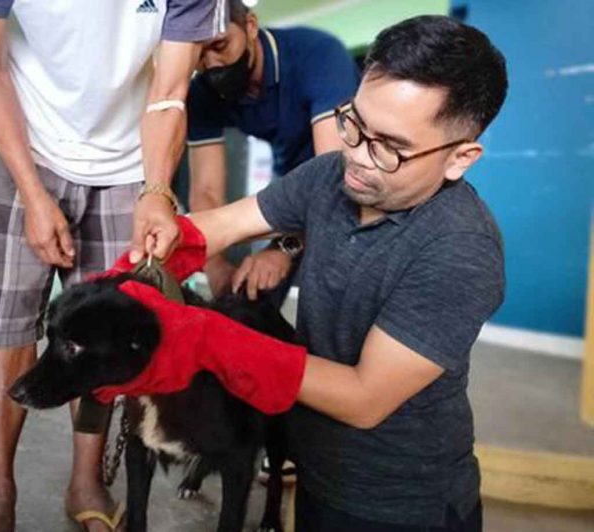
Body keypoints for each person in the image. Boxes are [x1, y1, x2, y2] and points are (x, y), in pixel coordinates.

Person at [106, 15, 508, 532]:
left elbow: (363, 398)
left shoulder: (459, 250)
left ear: (460, 158)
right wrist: (162, 240)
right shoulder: (331, 174)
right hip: (318, 473)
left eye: (390, 146)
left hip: (399, 504)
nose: (358, 156)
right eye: (354, 123)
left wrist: (209, 338)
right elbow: (223, 224)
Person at [0, 1, 227, 530]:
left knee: (103, 332)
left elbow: (169, 91)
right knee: (7, 329)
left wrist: (157, 189)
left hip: (125, 160)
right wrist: (32, 192)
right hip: (16, 143)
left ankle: (86, 481)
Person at [186, 0, 359, 300]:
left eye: (220, 45)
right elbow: (206, 191)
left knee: (330, 292)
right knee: (251, 290)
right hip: (291, 180)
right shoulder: (203, 93)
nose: (211, 63)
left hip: (349, 183)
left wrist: (283, 247)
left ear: (251, 26)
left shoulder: (318, 56)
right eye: (198, 55)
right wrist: (214, 266)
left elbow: (334, 177)